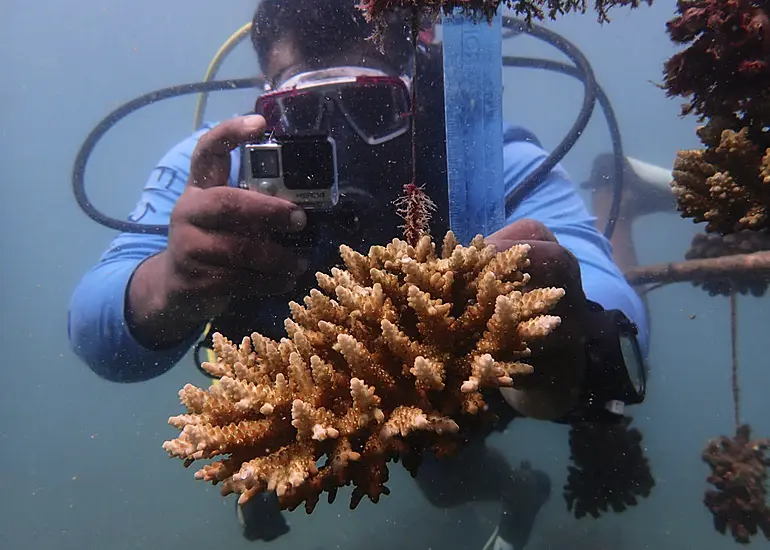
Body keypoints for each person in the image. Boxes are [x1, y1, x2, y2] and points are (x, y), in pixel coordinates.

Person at [67, 0, 650, 548]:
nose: (340, 136)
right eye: (302, 109)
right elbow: (96, 331)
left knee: (447, 467)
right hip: (314, 399)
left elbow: (607, 300)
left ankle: (614, 192)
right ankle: (514, 491)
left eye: (371, 105)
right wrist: (170, 282)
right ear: (264, 100)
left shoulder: (482, 160)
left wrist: (561, 348)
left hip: (448, 399)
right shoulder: (222, 165)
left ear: (415, 86)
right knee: (448, 486)